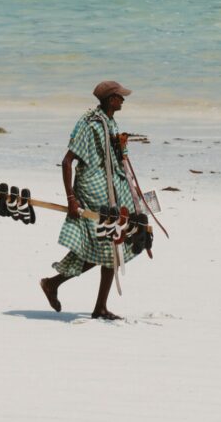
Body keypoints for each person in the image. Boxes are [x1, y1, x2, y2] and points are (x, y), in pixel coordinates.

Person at [39, 80, 140, 320]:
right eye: (119, 96)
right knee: (106, 247)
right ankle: (54, 283)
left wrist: (121, 147)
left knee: (115, 244)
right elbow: (67, 162)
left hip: (111, 189)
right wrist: (71, 199)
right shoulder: (88, 124)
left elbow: (111, 158)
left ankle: (99, 307)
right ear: (110, 99)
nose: (123, 100)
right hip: (93, 191)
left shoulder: (110, 122)